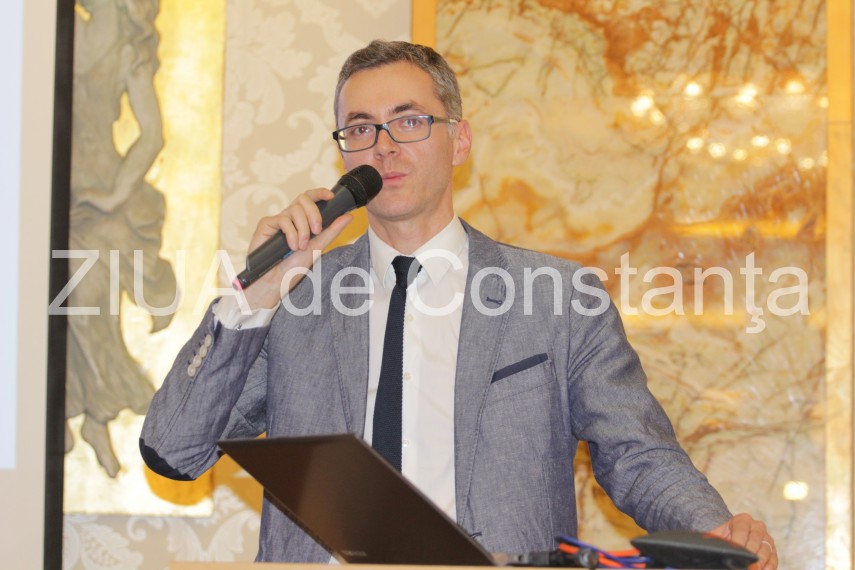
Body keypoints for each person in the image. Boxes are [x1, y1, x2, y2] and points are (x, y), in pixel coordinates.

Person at [141, 40, 777, 569]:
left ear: (460, 141)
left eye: (408, 121)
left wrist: (714, 533)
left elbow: (637, 453)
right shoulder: (293, 301)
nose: (383, 146)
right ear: (344, 152)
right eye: (361, 128)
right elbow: (174, 452)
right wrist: (255, 296)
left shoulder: (558, 299)